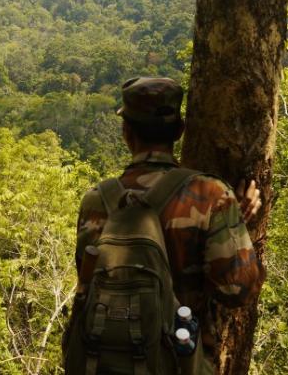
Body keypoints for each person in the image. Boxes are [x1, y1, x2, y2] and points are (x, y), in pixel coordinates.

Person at [70, 76, 265, 373]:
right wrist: (239, 228)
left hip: (106, 362)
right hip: (179, 363)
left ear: (126, 132)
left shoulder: (97, 200)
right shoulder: (211, 196)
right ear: (179, 131)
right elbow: (237, 291)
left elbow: (88, 277)